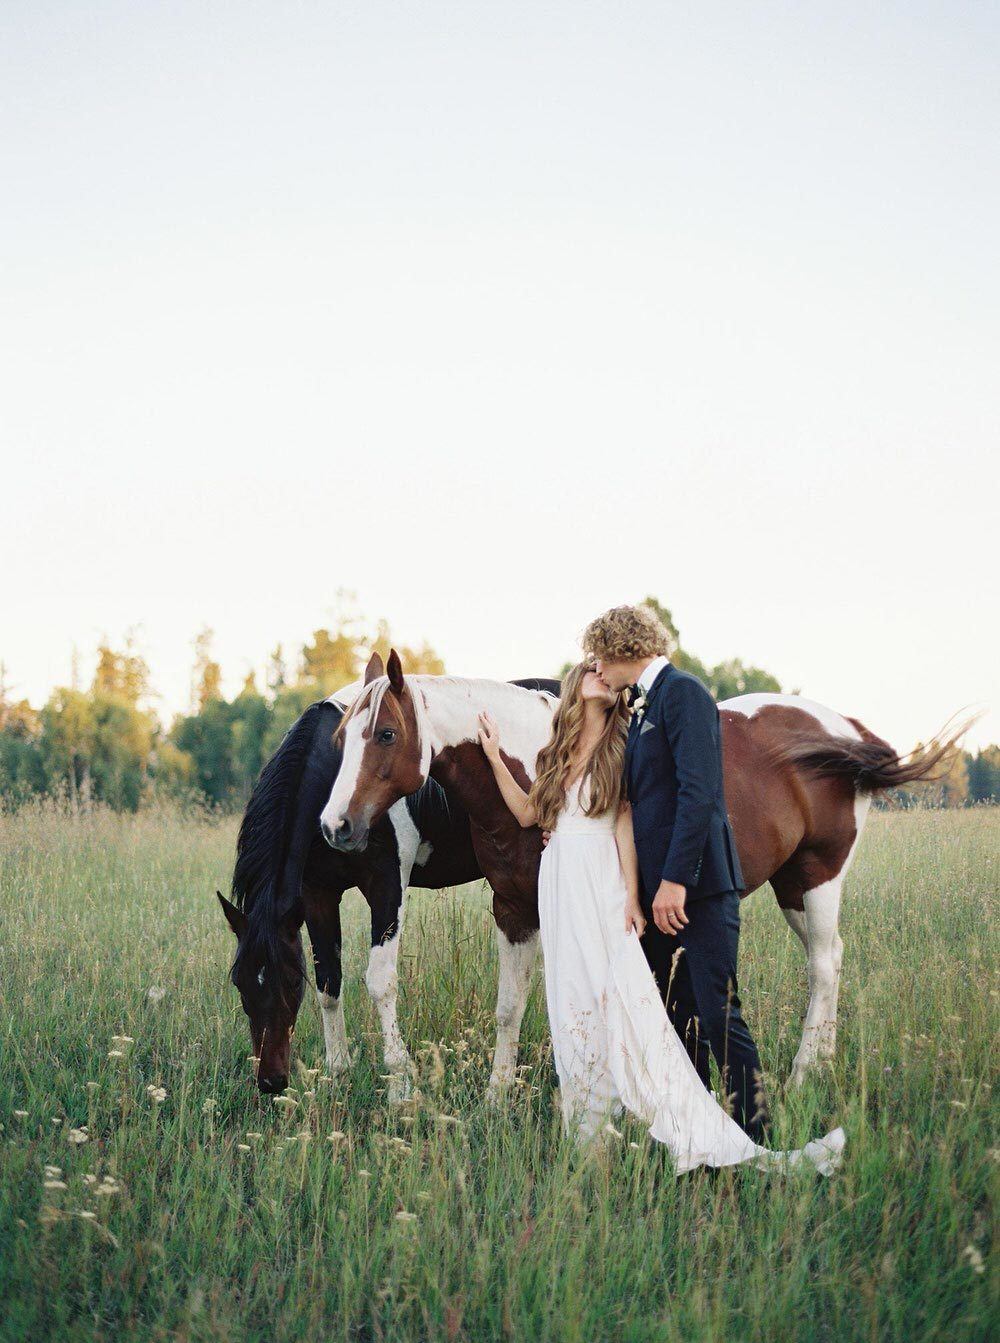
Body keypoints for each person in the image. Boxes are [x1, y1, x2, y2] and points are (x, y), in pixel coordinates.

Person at [477, 654, 844, 1175]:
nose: (601, 675)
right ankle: (587, 1137)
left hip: (600, 882)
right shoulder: (552, 753)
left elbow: (625, 823)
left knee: (625, 998)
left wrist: (631, 895)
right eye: (591, 670)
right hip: (562, 888)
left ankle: (698, 1124)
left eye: (607, 671)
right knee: (570, 1000)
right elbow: (528, 814)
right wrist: (494, 757)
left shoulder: (621, 748)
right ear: (574, 686)